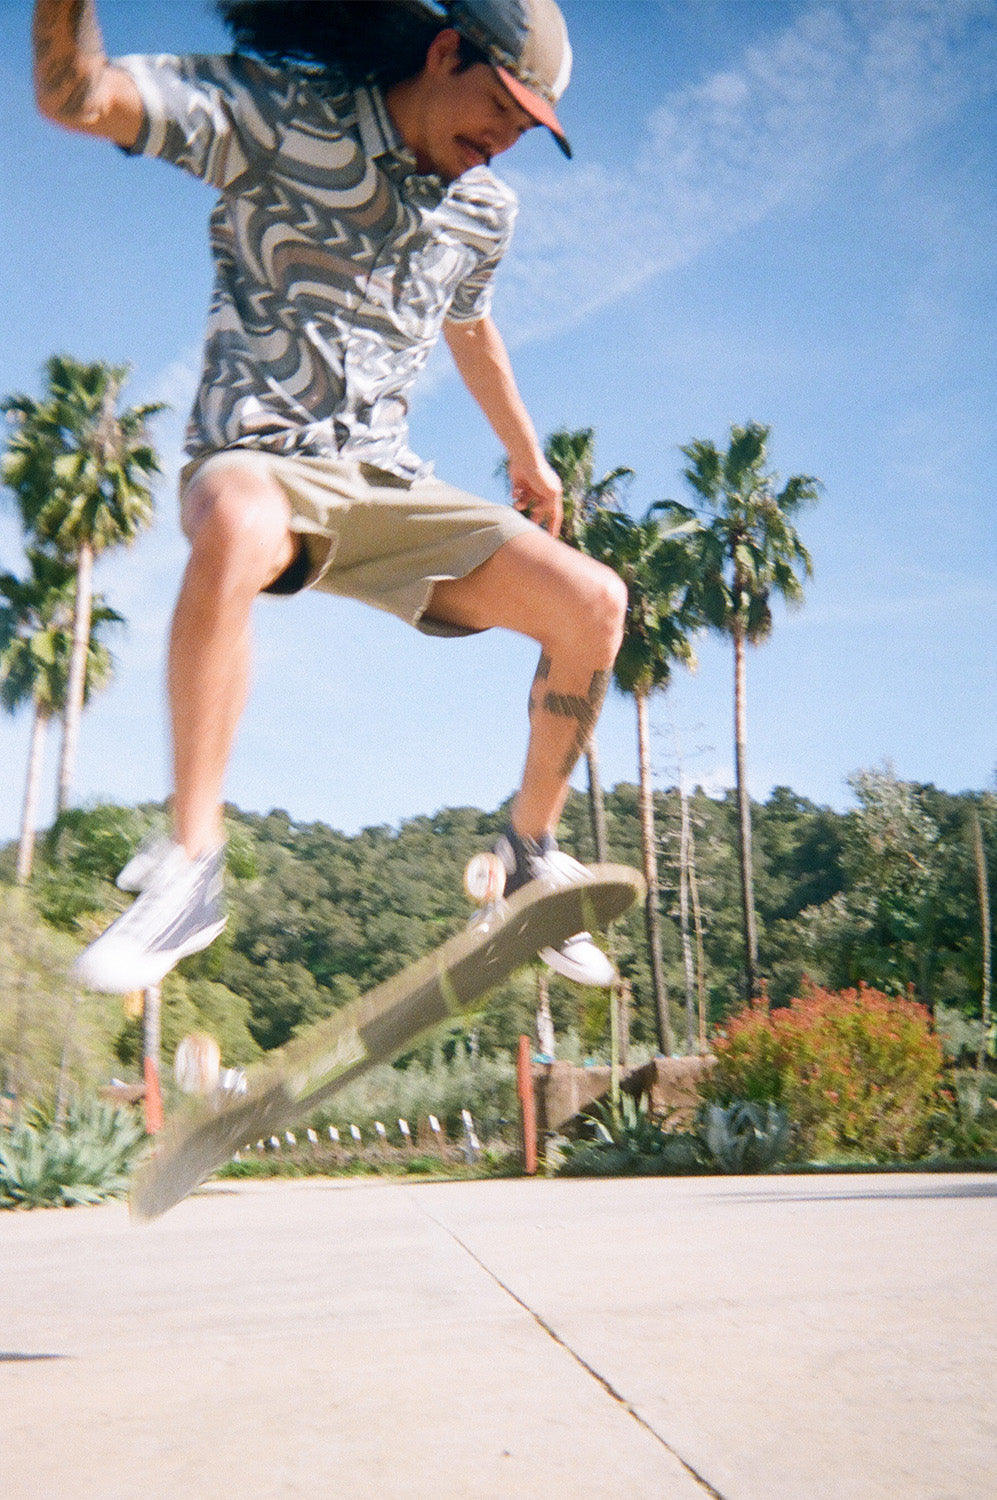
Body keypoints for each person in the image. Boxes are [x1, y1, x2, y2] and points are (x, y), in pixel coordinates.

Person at [33, 0, 627, 994]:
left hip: (389, 483)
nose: (504, 140)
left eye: (528, 127)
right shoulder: (276, 115)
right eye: (498, 107)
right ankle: (192, 863)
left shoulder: (484, 210)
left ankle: (529, 851)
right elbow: (78, 97)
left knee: (594, 604)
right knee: (238, 518)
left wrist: (528, 456)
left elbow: (468, 323)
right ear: (445, 52)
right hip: (259, 459)